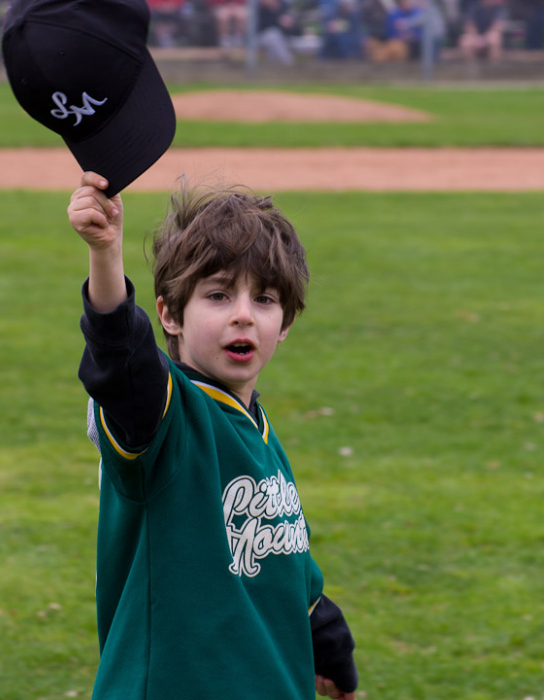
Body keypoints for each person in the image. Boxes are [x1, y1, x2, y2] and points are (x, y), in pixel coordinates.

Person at [68, 171, 359, 700]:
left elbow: (286, 567)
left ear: (286, 321)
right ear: (169, 314)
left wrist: (327, 641)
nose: (244, 316)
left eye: (266, 300)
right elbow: (121, 358)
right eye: (219, 295)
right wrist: (106, 255)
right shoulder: (164, 418)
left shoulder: (258, 429)